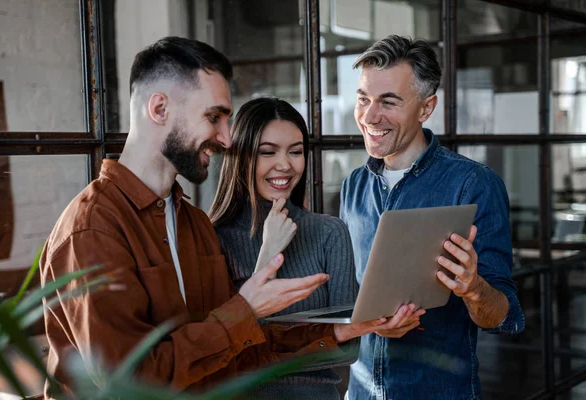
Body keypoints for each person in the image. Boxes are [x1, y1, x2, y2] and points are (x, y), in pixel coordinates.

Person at [39, 37, 422, 398]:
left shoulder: (193, 223)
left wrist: (343, 330)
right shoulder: (92, 229)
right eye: (214, 117)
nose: (226, 138)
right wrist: (247, 308)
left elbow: (234, 348)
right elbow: (129, 383)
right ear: (159, 109)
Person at [340, 35, 526, 400]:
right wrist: (367, 323)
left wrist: (473, 288)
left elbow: (504, 315)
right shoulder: (353, 186)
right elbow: (351, 298)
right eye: (363, 99)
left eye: (388, 102)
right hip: (358, 392)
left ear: (426, 109)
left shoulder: (473, 184)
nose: (370, 116)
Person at [209, 97, 359, 399]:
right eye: (268, 152)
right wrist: (268, 257)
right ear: (241, 157)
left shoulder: (330, 233)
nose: (285, 165)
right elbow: (222, 351)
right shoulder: (212, 238)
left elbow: (349, 349)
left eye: (296, 152)